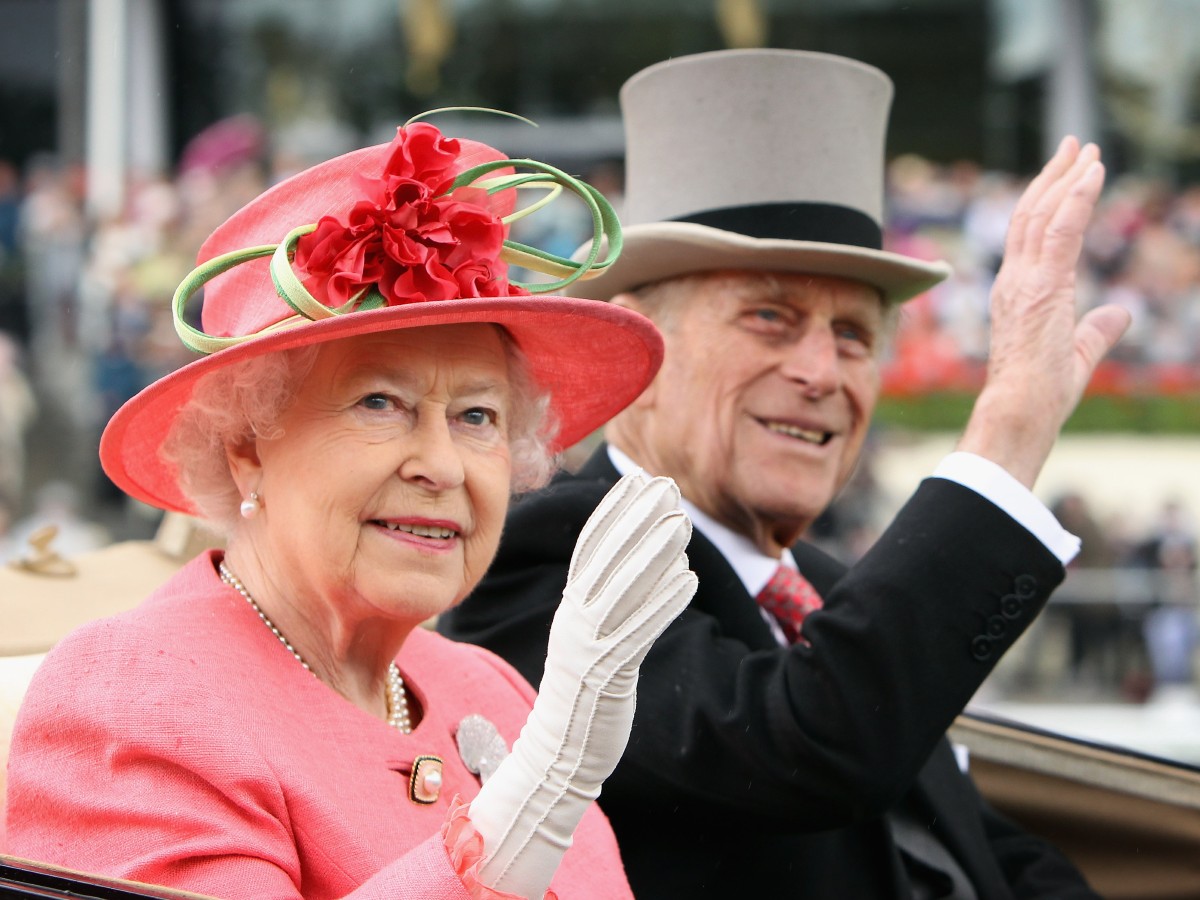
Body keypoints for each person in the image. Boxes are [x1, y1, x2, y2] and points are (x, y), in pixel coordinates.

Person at [439, 49, 1130, 898]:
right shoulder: (553, 555)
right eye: (771, 316)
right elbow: (809, 743)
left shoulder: (832, 598)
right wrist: (1008, 431)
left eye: (852, 335)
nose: (822, 371)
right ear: (641, 354)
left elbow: (986, 859)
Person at [4, 116, 699, 900]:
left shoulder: (493, 689)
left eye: (477, 417)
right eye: (379, 403)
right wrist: (526, 805)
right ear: (247, 446)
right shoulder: (133, 693)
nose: (441, 466)